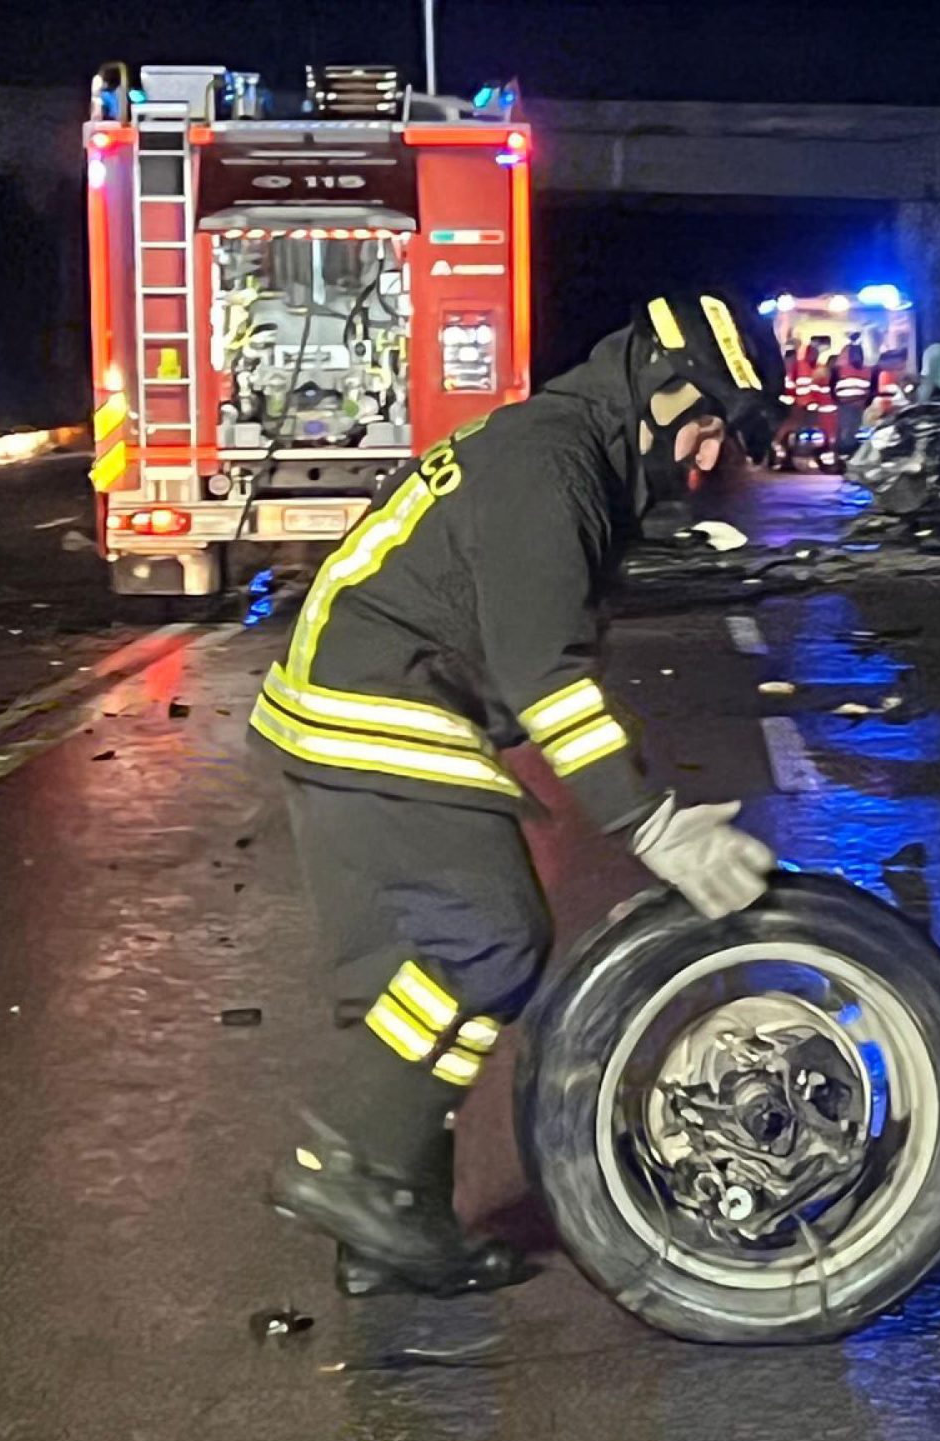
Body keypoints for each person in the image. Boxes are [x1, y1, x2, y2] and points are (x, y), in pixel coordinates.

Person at [249, 293, 790, 1298]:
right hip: (380, 703)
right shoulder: (553, 464)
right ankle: (347, 1170)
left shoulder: (561, 450)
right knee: (490, 938)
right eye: (709, 424)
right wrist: (650, 822)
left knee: (405, 979)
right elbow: (547, 676)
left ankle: (386, 1228)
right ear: (660, 388)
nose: (710, 457)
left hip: (335, 696)